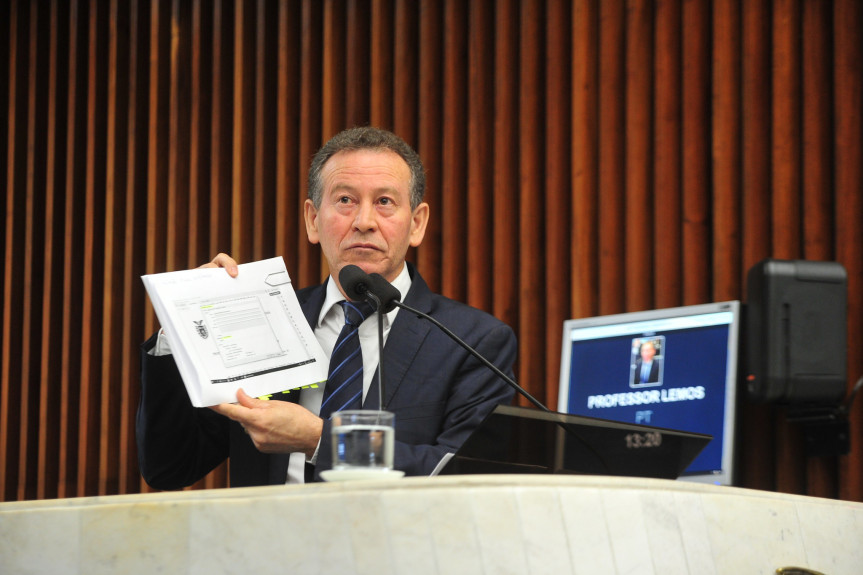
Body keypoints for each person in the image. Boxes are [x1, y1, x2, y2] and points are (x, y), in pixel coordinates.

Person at [136, 126, 517, 489]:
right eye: (345, 200)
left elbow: (466, 478)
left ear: (416, 224)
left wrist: (322, 441)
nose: (364, 221)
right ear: (313, 220)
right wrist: (180, 324)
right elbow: (171, 467)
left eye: (384, 202)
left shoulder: (473, 342)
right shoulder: (265, 321)